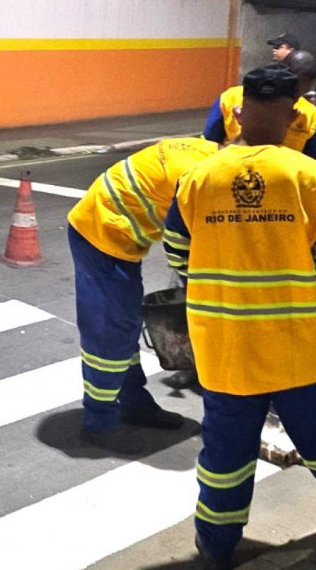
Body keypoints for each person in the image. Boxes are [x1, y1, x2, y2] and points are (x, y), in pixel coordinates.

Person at [164, 66, 316, 568]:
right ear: (294, 118)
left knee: (225, 453)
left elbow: (179, 253)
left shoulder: (197, 178)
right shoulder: (311, 177)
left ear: (239, 111)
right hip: (299, 345)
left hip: (224, 347)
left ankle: (216, 545)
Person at [67, 136, 221, 450]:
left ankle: (134, 403)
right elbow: (187, 250)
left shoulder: (208, 150)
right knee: (111, 333)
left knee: (124, 326)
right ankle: (99, 423)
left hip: (116, 230)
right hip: (101, 234)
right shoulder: (201, 180)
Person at [201, 48, 316, 159]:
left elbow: (309, 163)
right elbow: (209, 145)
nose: (293, 98)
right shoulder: (230, 99)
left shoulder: (311, 116)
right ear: (239, 114)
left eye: (299, 92)